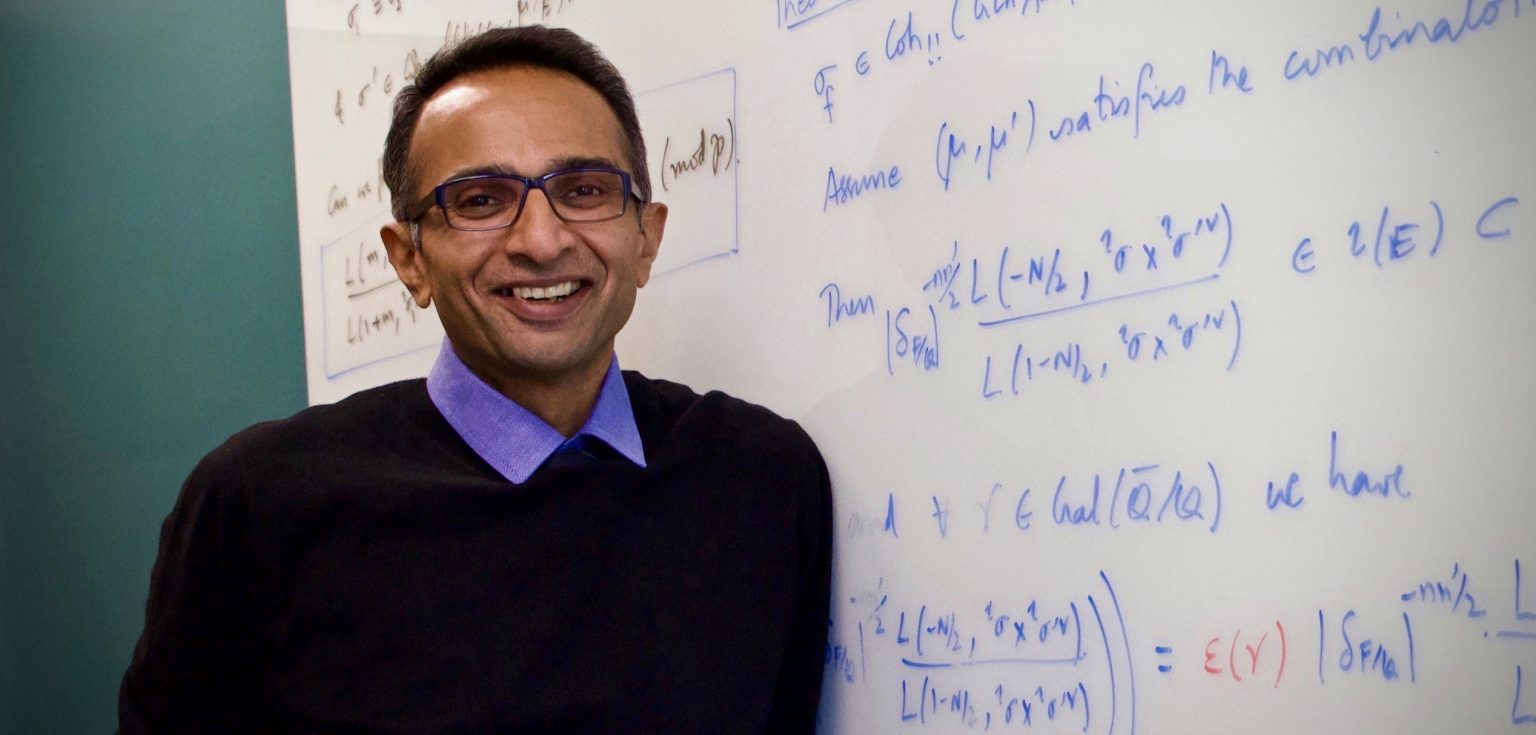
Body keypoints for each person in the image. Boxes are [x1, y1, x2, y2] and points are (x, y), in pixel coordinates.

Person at [119, 25, 832, 733]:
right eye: (481, 200)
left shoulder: (762, 478)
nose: (542, 240)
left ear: (646, 237)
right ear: (410, 259)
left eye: (583, 189)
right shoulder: (260, 503)